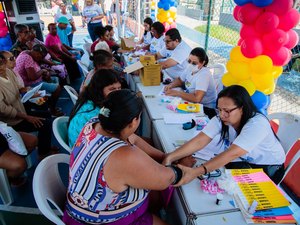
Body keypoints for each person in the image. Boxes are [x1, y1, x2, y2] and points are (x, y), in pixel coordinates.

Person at [63, 89, 181, 225]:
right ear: (133, 122)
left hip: (79, 210)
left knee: (152, 193)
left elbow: (134, 139)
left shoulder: (95, 123)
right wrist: (185, 167)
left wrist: (164, 156)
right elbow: (166, 179)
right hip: (98, 221)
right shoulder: (122, 154)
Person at [163, 85, 286, 185]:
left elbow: (233, 153)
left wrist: (195, 172)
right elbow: (200, 140)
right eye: (219, 109)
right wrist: (170, 157)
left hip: (267, 169)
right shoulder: (222, 118)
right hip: (243, 161)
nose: (222, 115)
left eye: (227, 111)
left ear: (242, 108)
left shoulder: (257, 124)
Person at [0, 52, 57, 159]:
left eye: (2, 63)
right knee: (45, 124)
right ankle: (43, 153)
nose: (2, 67)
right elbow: (3, 110)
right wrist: (27, 117)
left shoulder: (9, 72)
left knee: (46, 113)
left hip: (21, 111)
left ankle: (44, 146)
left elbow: (19, 88)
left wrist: (30, 91)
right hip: (12, 121)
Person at [68, 69, 122, 147]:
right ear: (100, 90)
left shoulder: (89, 99)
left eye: (119, 88)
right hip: (83, 151)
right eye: (112, 89)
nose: (118, 93)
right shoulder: (97, 115)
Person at [164, 47, 217, 118]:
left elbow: (197, 98)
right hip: (193, 103)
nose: (190, 64)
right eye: (189, 61)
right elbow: (180, 80)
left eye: (194, 63)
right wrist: (171, 85)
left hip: (205, 108)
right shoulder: (190, 68)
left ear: (202, 63)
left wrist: (177, 93)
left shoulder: (204, 75)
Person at [14, 44, 63, 116]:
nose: (41, 59)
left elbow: (35, 68)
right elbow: (32, 77)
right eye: (41, 56)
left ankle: (48, 104)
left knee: (55, 79)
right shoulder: (27, 58)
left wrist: (45, 70)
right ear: (37, 53)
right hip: (28, 84)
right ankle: (52, 110)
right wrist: (42, 71)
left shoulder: (27, 52)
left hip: (34, 80)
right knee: (57, 88)